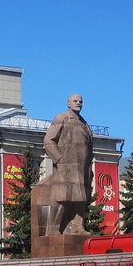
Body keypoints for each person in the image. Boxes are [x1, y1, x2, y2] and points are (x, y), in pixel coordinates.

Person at [41, 93, 94, 235]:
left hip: (83, 167)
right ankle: (52, 231)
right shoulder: (61, 118)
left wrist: (89, 167)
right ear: (68, 103)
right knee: (62, 197)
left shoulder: (84, 123)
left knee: (81, 198)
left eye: (81, 101)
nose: (78, 103)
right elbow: (48, 141)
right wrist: (60, 159)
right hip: (66, 166)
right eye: (75, 101)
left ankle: (77, 227)